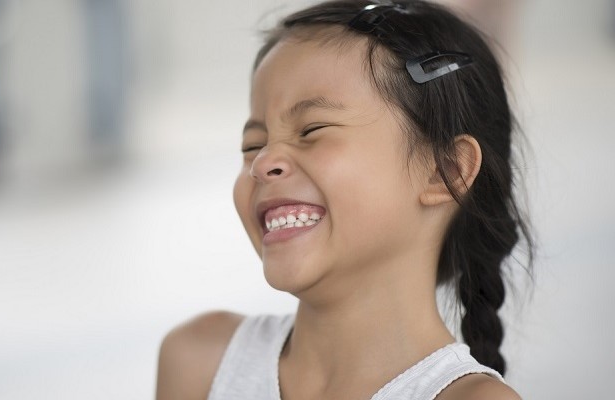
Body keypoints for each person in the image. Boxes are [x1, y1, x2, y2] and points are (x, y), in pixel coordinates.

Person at [156, 1, 533, 399]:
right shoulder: (199, 362)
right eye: (253, 144)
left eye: (312, 129)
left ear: (445, 171)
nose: (263, 162)